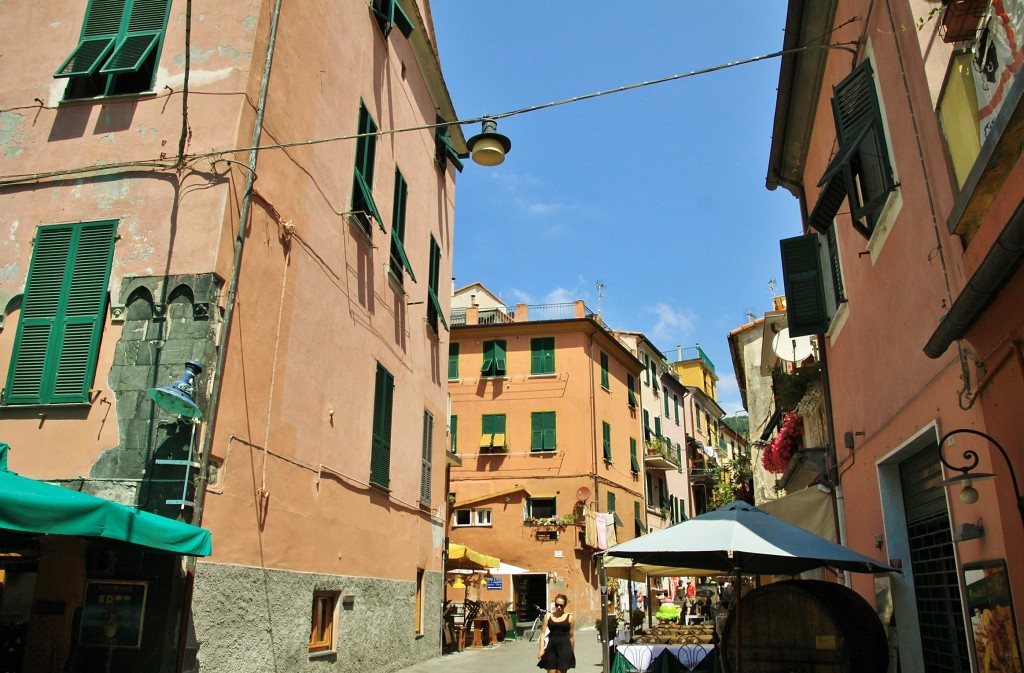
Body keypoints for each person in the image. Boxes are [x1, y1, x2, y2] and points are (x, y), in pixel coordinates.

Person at [537, 594, 575, 673]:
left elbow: (571, 637)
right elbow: (542, 634)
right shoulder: (548, 616)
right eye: (557, 605)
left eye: (561, 605)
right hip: (551, 648)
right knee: (551, 671)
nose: (559, 607)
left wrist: (571, 652)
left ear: (565, 605)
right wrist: (541, 650)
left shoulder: (570, 618)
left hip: (564, 648)